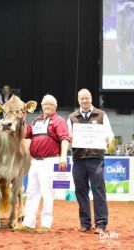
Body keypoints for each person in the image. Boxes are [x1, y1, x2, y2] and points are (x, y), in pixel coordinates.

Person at [16, 94, 70, 234]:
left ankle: (46, 224)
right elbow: (23, 134)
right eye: (45, 104)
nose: (48, 106)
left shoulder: (59, 121)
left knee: (47, 193)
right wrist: (22, 119)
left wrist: (63, 156)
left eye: (51, 104)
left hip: (50, 161)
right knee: (31, 192)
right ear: (42, 106)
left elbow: (65, 138)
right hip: (35, 161)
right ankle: (29, 223)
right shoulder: (36, 121)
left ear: (55, 106)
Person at [67, 88, 114, 234]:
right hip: (78, 159)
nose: (84, 101)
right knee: (81, 191)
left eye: (86, 98)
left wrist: (108, 140)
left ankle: (101, 224)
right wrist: (70, 139)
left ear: (91, 98)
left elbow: (109, 134)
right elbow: (68, 137)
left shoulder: (101, 115)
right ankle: (85, 223)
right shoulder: (72, 117)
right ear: (78, 100)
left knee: (99, 191)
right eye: (81, 98)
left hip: (96, 159)